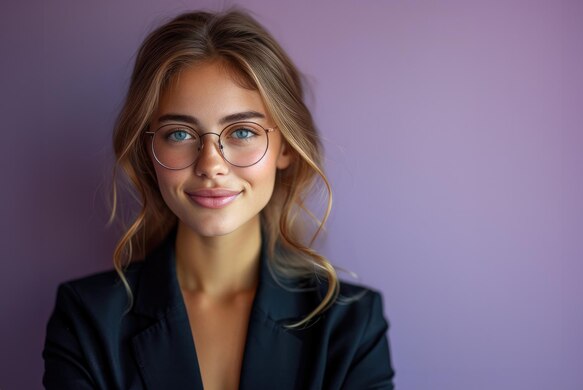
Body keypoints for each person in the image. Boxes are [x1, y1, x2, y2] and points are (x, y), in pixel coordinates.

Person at [42, 9, 394, 390]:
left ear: (286, 147)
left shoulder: (352, 324)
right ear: (148, 151)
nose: (211, 165)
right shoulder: (86, 318)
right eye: (179, 134)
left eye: (242, 131)